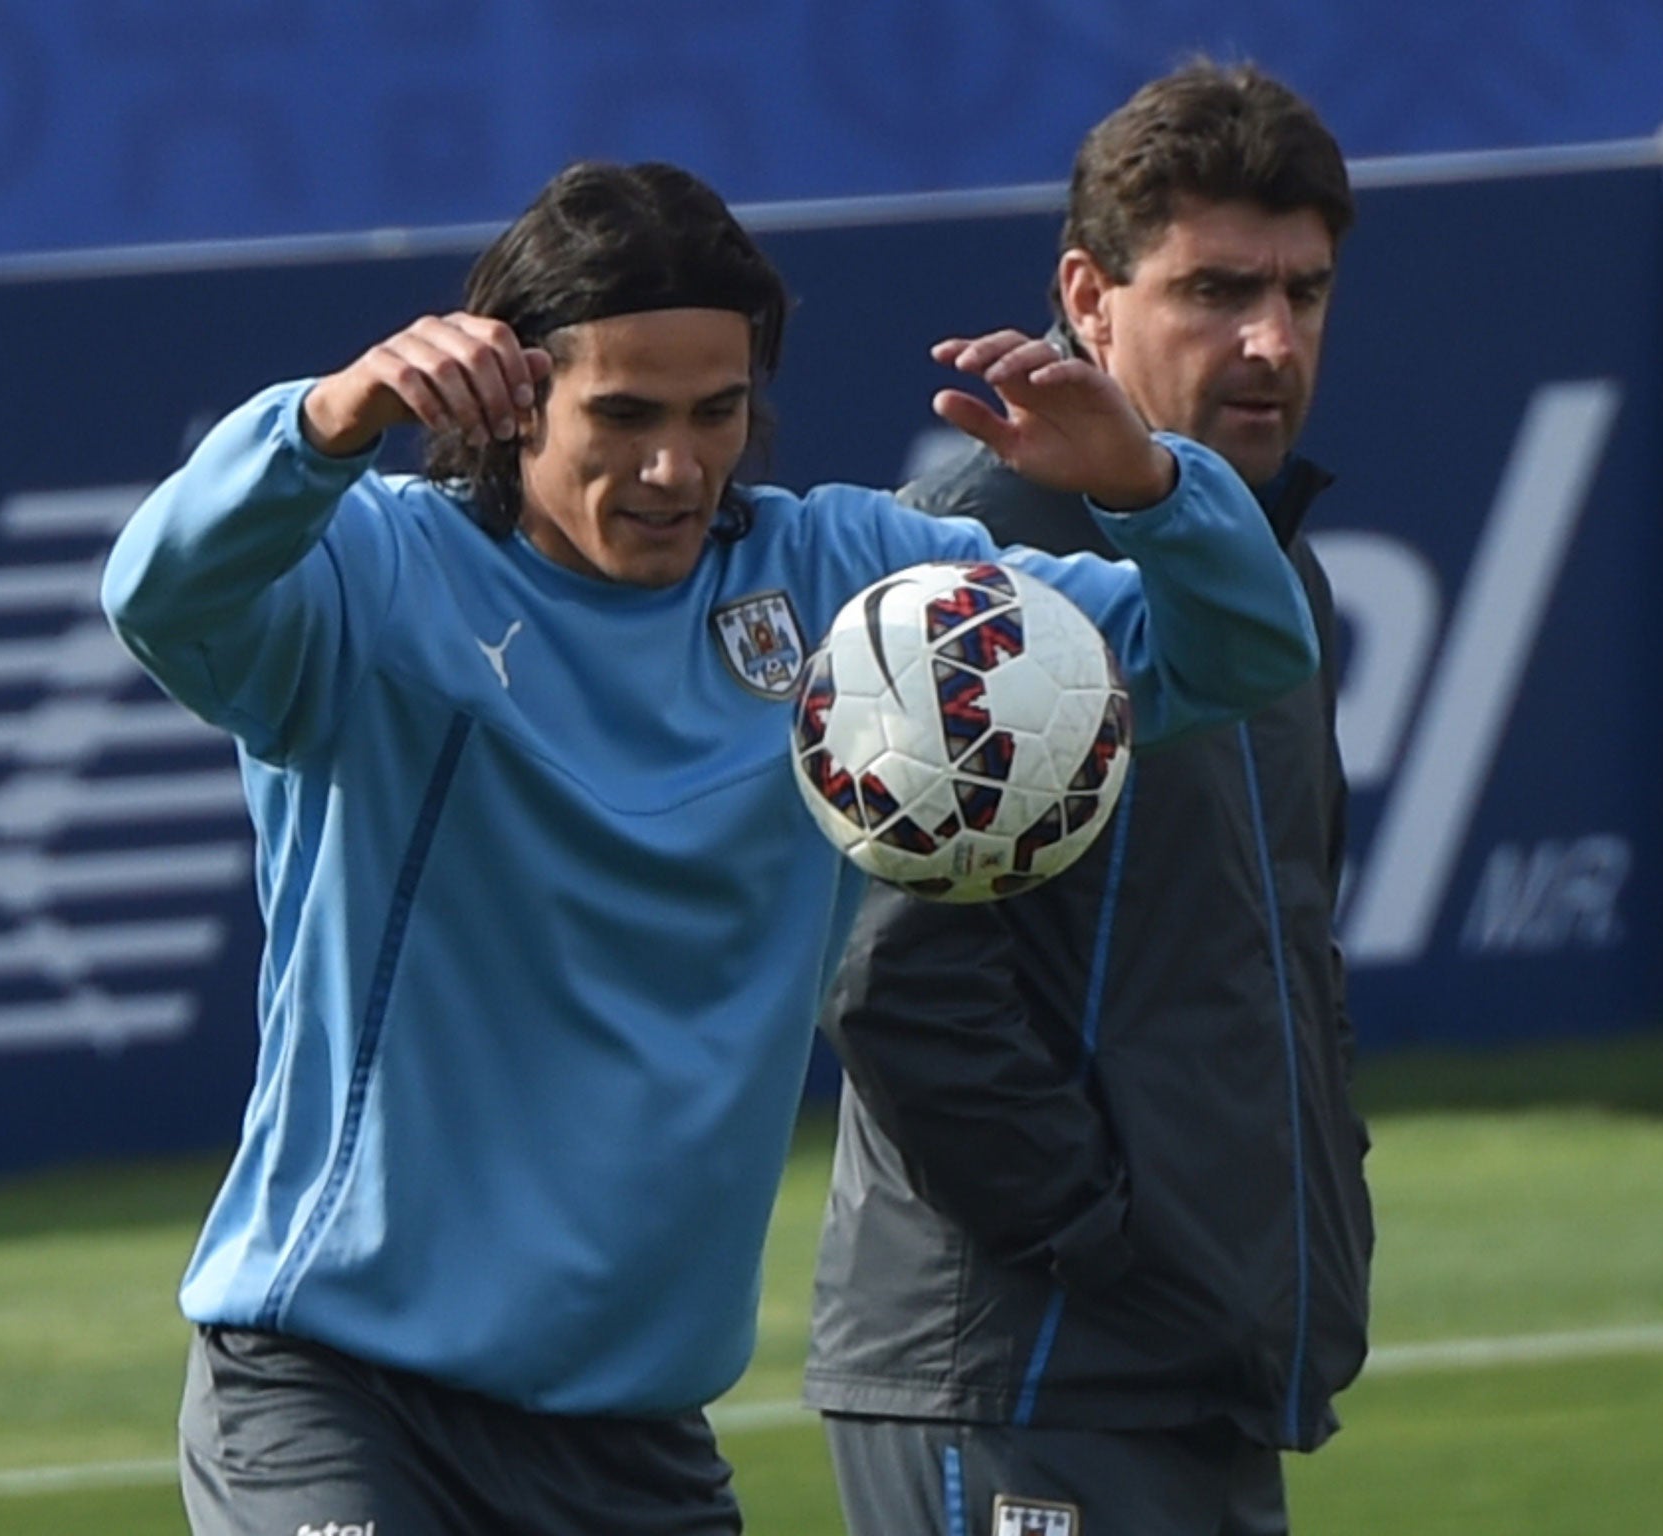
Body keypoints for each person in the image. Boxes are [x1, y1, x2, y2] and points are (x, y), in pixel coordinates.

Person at [100, 157, 1318, 1536]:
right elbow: (161, 594)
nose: (676, 466)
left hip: (634, 1439)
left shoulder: (846, 591)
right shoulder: (378, 578)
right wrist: (320, 427)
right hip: (340, 1393)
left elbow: (1237, 656)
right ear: (510, 405)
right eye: (622, 415)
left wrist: (1153, 485)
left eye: (716, 412)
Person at [805, 61, 1376, 1536]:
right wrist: (1109, 1241)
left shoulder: (1267, 569)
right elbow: (896, 989)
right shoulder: (971, 575)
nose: (1271, 340)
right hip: (1026, 1373)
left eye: (1304, 294)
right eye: (1216, 290)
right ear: (1088, 292)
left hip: (1191, 1361)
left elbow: (1283, 961)